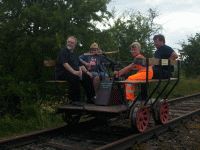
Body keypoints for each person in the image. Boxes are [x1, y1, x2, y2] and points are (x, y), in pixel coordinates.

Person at [55, 36, 95, 104]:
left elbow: (81, 65)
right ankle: (74, 100)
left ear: (75, 45)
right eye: (68, 42)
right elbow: (65, 64)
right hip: (62, 73)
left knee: (86, 77)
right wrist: (74, 72)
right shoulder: (63, 52)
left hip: (73, 73)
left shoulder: (75, 54)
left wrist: (87, 72)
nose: (69, 44)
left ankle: (91, 98)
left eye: (72, 43)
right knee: (75, 77)